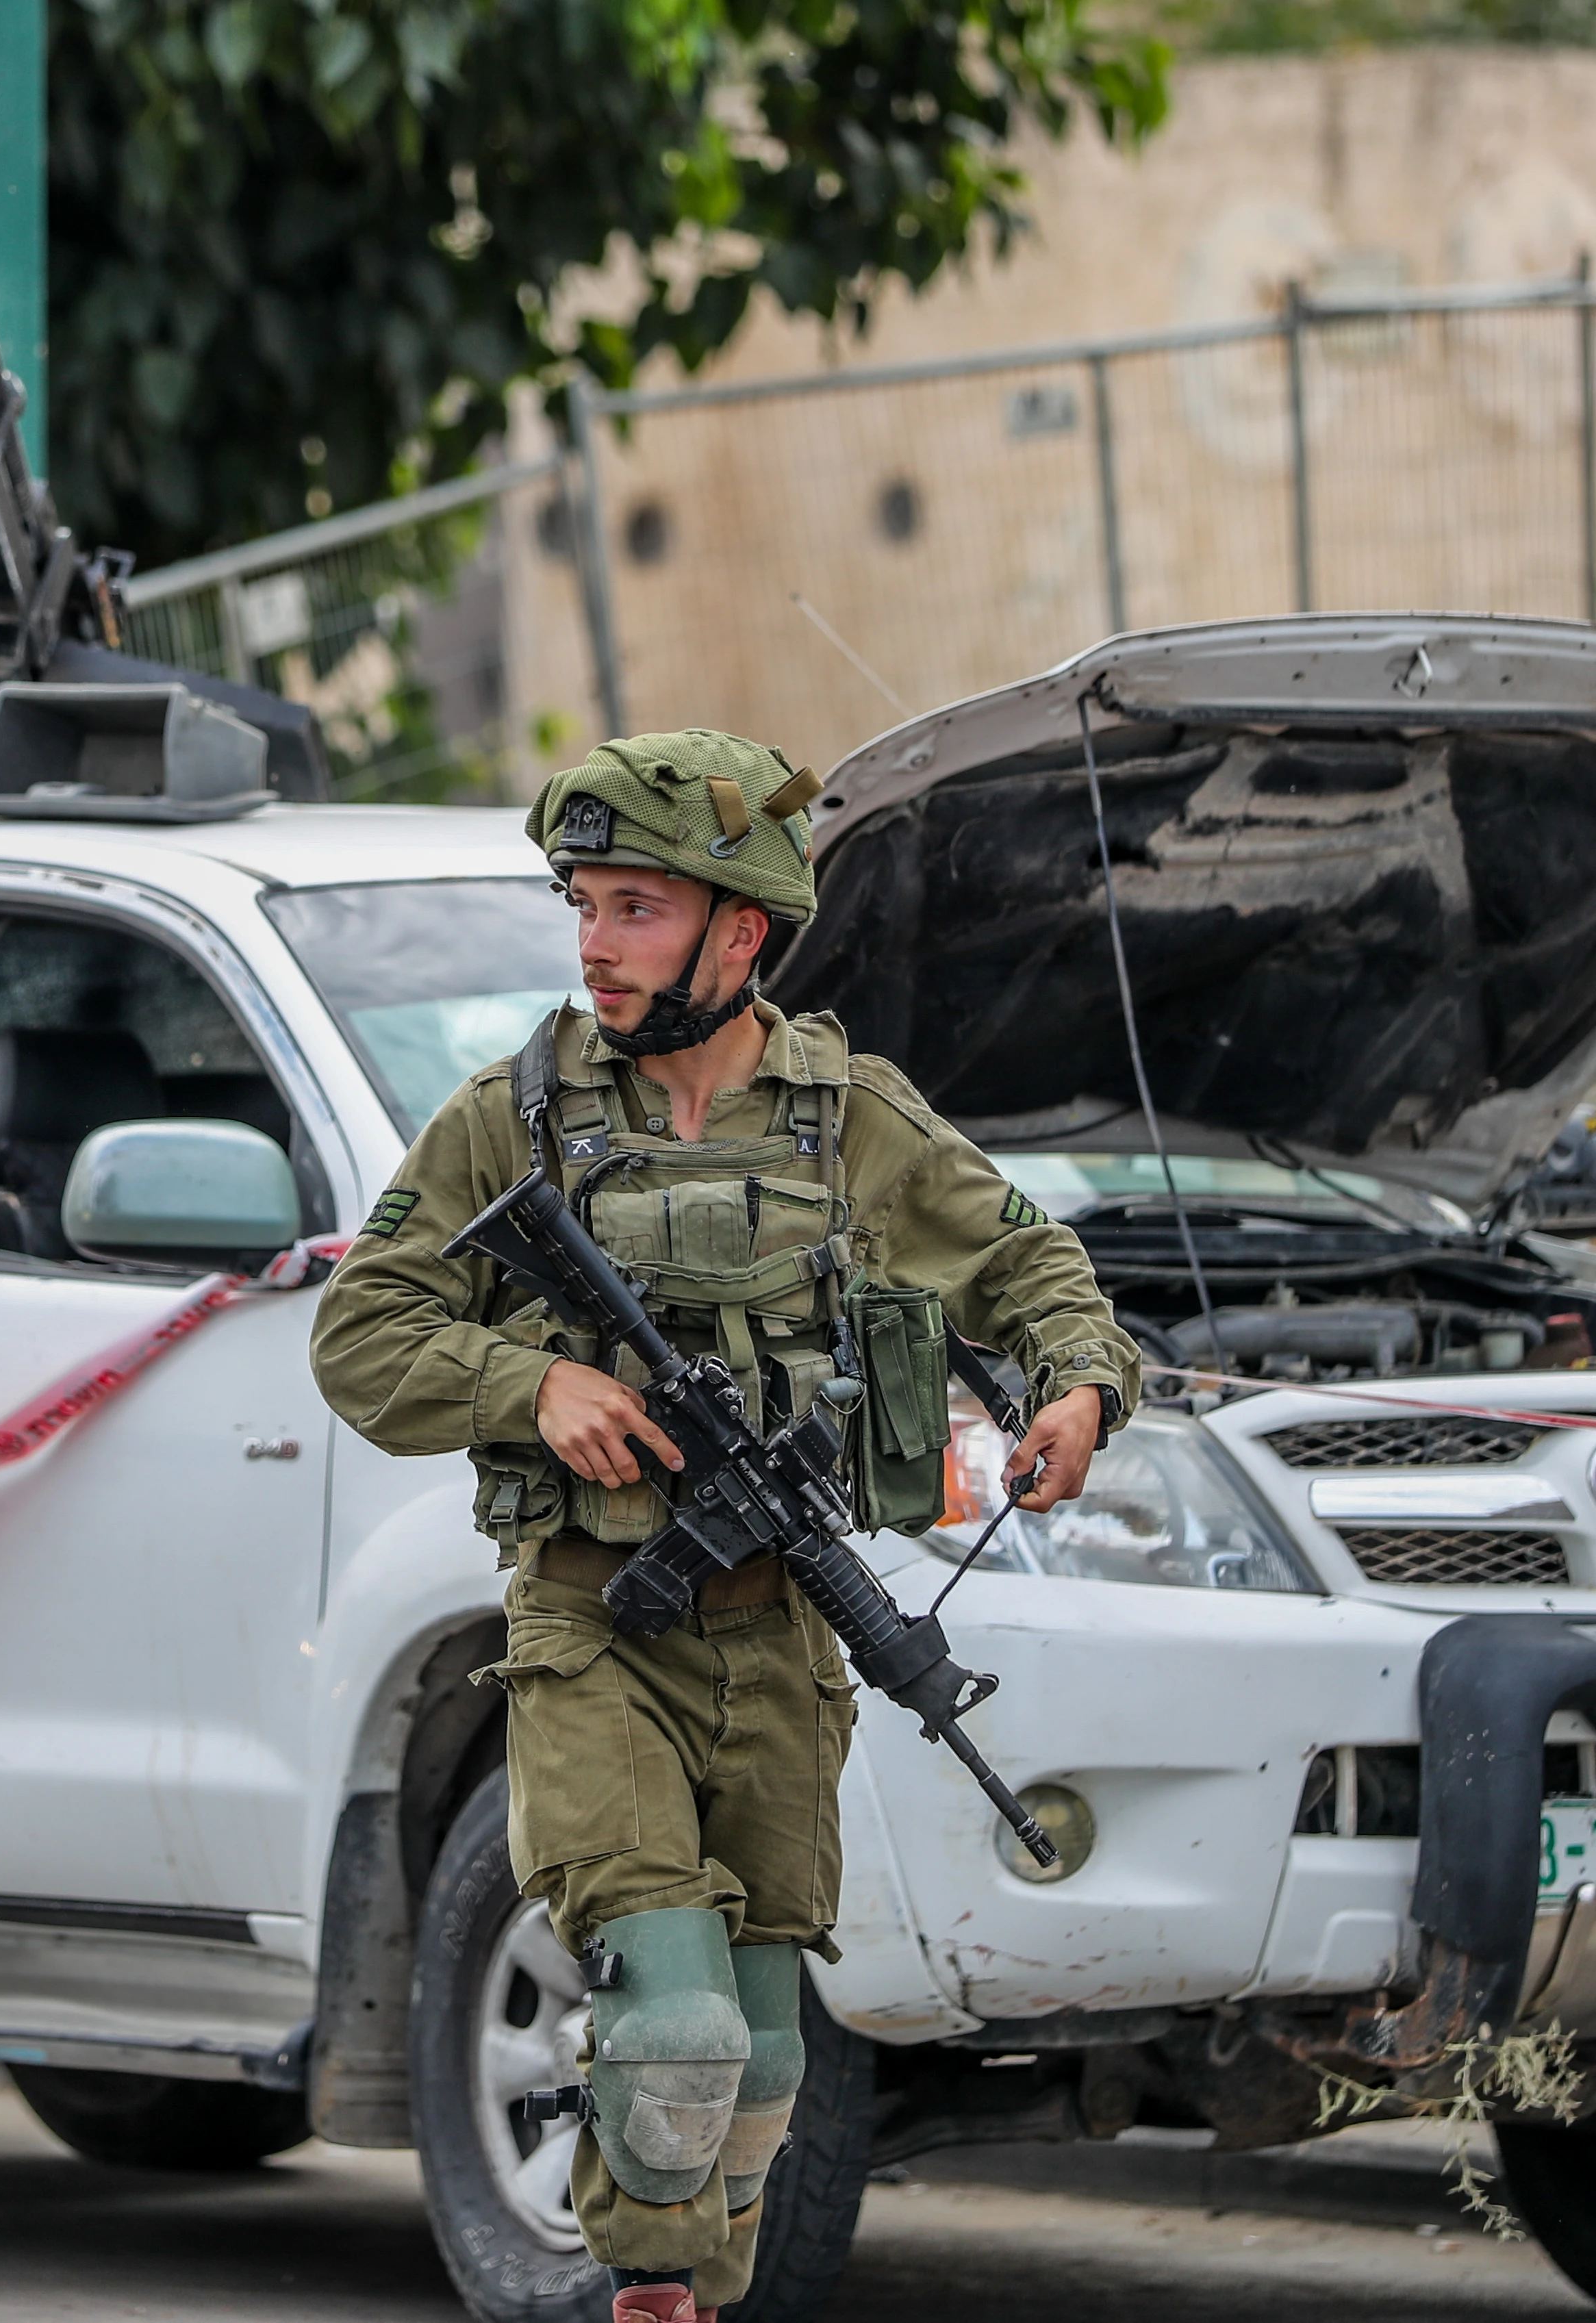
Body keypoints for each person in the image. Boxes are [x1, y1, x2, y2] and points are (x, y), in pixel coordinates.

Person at [311, 731, 1143, 2323]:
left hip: (779, 1637)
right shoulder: (520, 1116)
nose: (595, 945)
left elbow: (1030, 1262)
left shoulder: (851, 1120)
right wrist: (530, 1379)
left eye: (635, 908)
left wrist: (1079, 1389)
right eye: (585, 905)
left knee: (759, 2047)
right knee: (676, 2024)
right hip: (591, 1620)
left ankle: (688, 2294)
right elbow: (360, 1332)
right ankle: (645, 2289)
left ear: (739, 932)